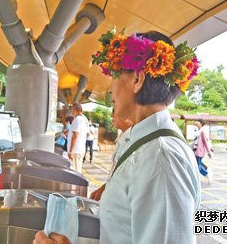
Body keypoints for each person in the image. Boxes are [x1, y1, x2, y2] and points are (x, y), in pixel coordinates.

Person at [34, 29, 201, 243]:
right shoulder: (140, 142)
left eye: (115, 76)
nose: (111, 88)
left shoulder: (160, 159)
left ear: (137, 79)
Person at [89, 108, 133, 201]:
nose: (111, 115)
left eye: (114, 111)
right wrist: (105, 187)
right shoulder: (123, 137)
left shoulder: (133, 140)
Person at [67, 103, 89, 173]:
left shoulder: (77, 119)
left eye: (72, 109)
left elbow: (75, 136)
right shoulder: (84, 119)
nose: (71, 111)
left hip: (76, 150)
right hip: (79, 149)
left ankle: (77, 184)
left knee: (76, 172)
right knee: (77, 170)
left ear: (75, 110)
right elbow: (87, 134)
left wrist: (70, 151)